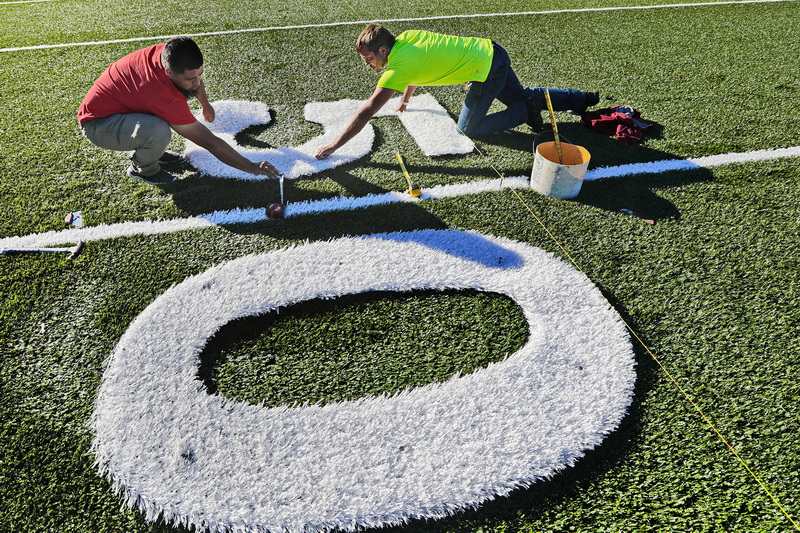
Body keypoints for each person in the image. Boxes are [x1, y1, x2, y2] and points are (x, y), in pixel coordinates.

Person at [315, 24, 599, 159]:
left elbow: (367, 111)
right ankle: (582, 98)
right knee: (522, 94)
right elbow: (415, 71)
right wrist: (405, 99)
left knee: (468, 129)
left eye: (368, 58)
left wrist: (333, 145)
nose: (367, 63)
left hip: (487, 69)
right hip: (492, 51)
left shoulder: (397, 69)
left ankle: (528, 109)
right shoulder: (407, 40)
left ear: (383, 50)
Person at [78, 36, 279, 185]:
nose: (197, 82)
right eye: (191, 79)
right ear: (169, 72)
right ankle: (142, 169)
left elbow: (193, 78)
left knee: (161, 121)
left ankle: (150, 150)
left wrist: (205, 104)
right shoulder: (160, 93)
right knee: (158, 130)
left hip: (121, 110)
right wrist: (251, 167)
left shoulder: (167, 55)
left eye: (200, 74)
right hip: (99, 125)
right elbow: (210, 142)